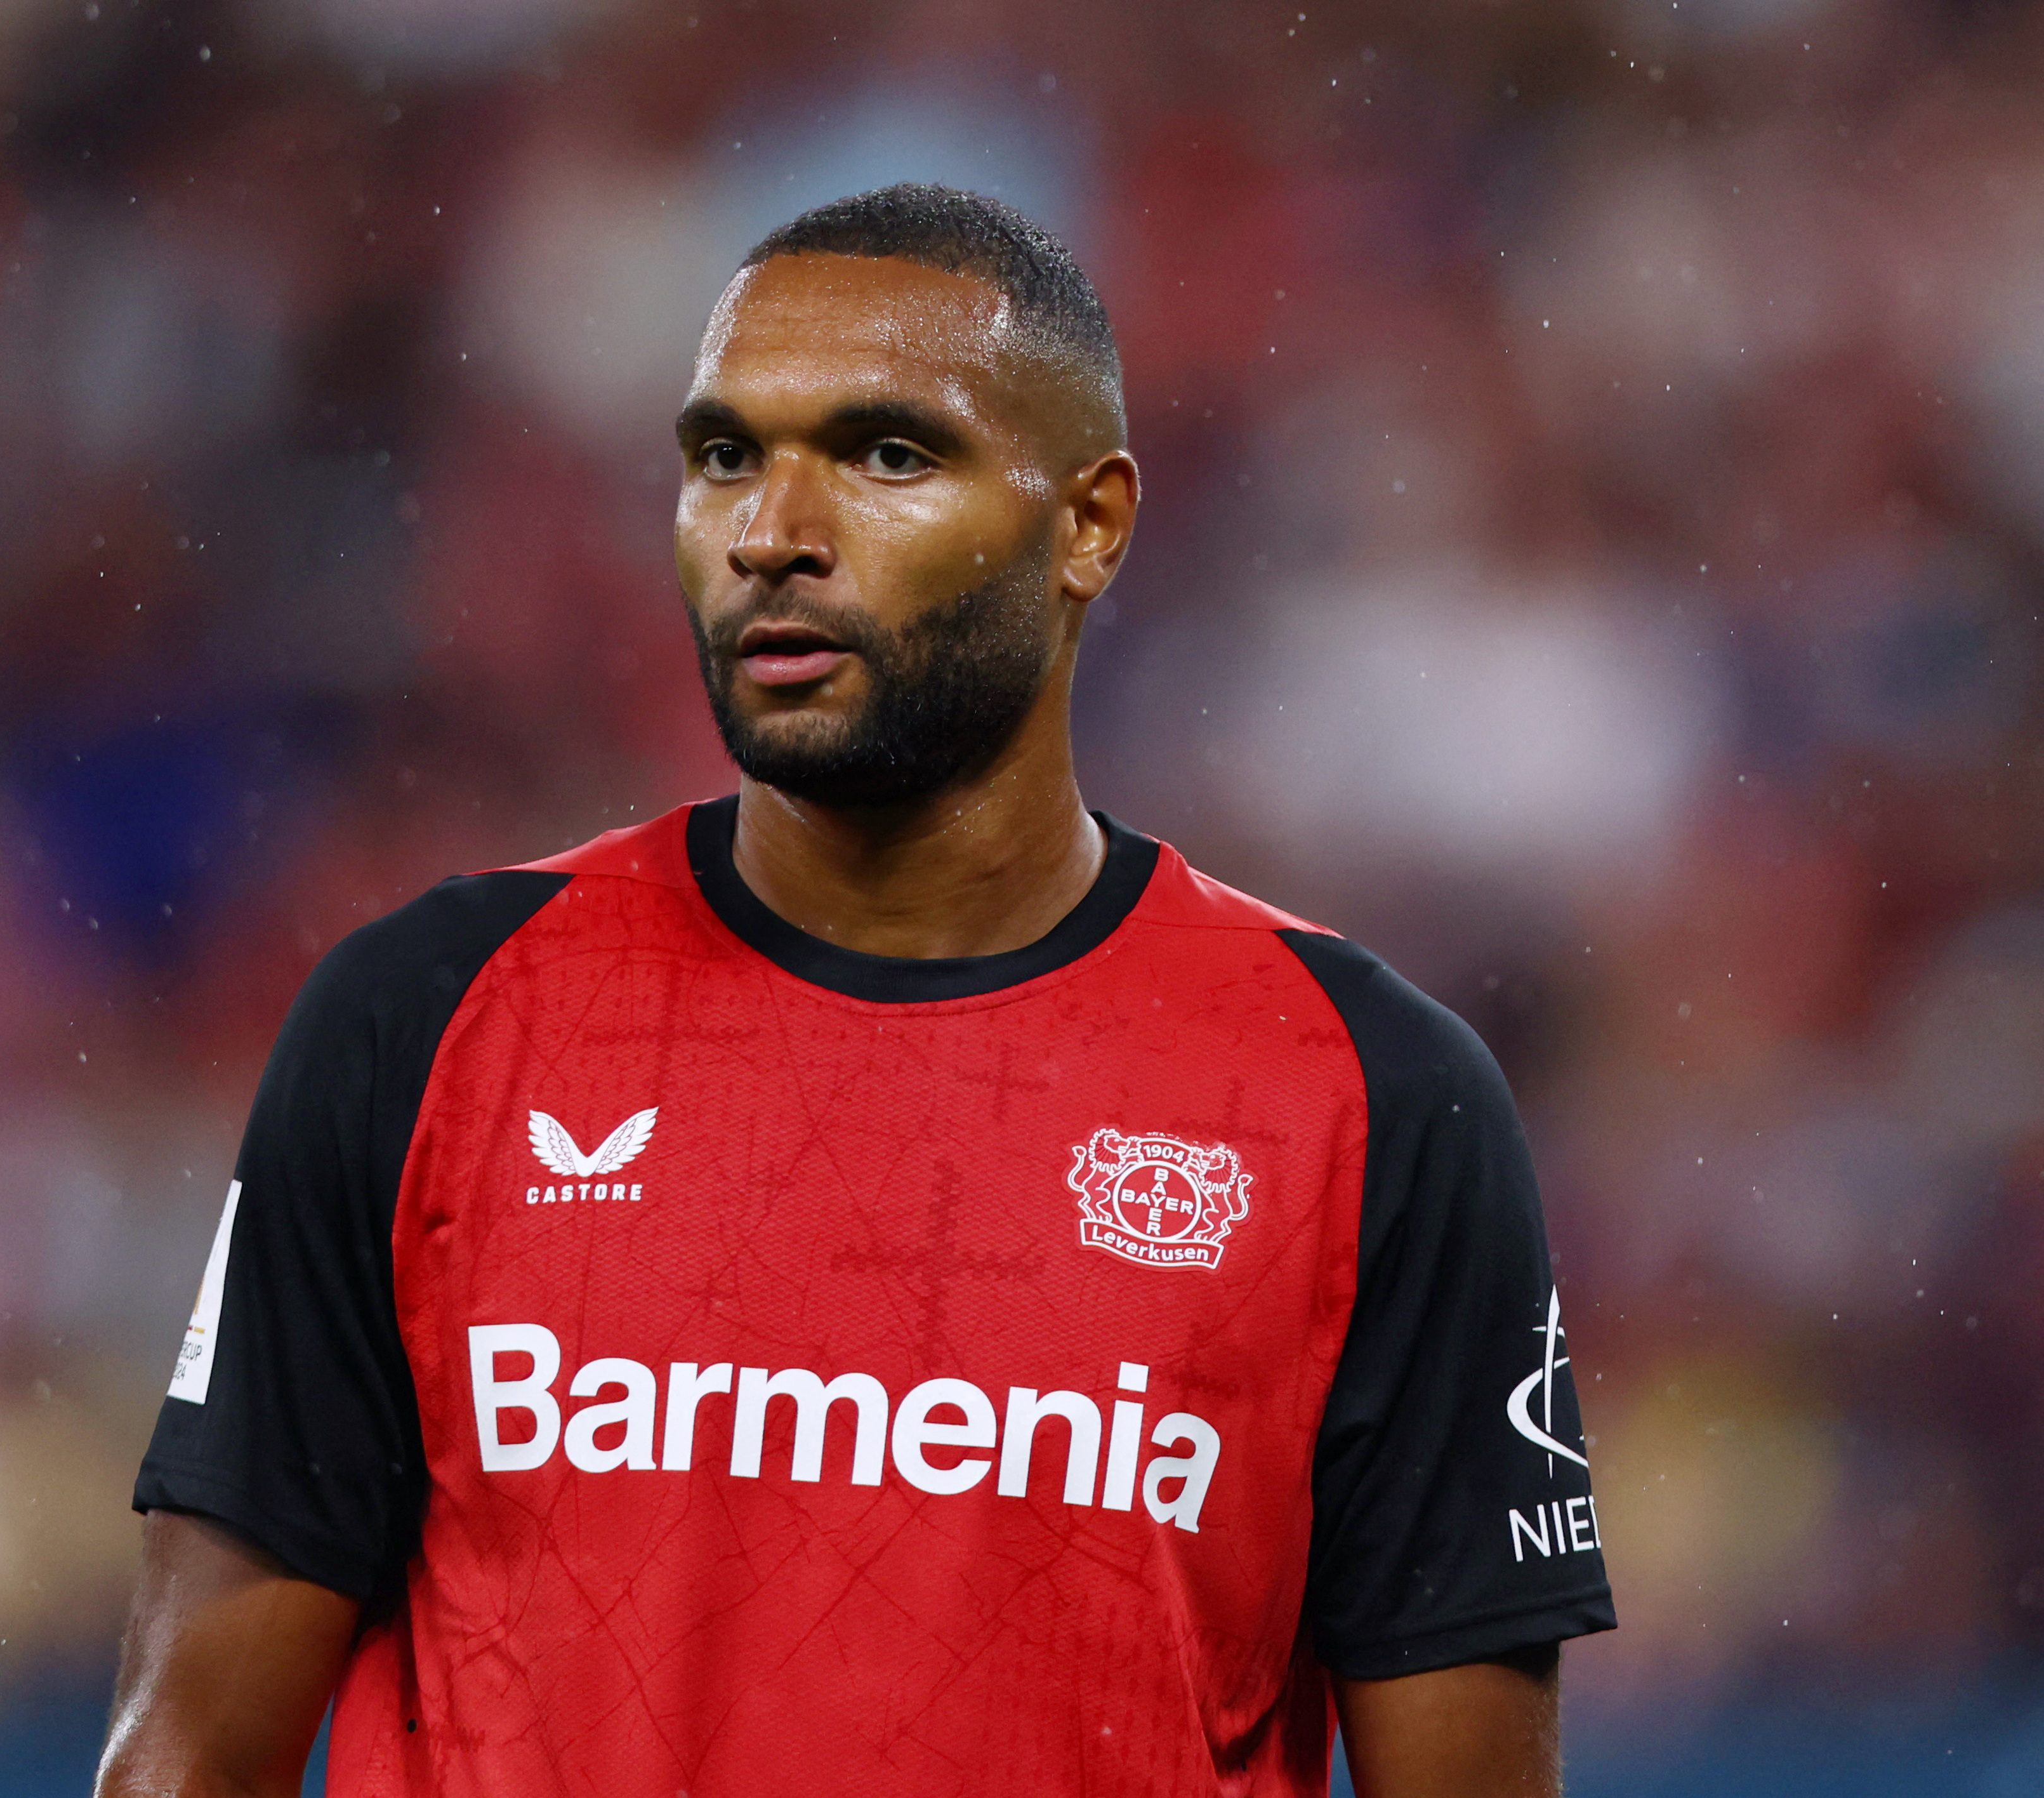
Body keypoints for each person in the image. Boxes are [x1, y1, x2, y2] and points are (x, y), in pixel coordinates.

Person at [96, 183, 1613, 1798]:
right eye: (724, 455)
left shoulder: (1371, 1101)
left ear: (1090, 525)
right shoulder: (424, 1021)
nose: (771, 531)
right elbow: (191, 1756)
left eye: (888, 454)